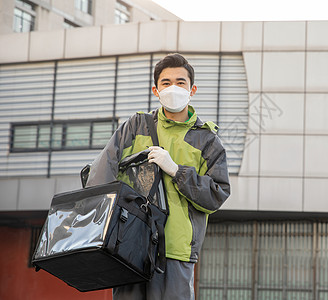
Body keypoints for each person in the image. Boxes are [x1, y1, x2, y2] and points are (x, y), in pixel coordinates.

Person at [85, 53, 231, 299]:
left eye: (180, 82)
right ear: (156, 90)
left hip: (176, 249)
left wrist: (177, 171)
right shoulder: (135, 126)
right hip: (129, 244)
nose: (173, 87)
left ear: (192, 89)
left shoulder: (208, 141)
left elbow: (216, 195)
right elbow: (101, 174)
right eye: (166, 82)